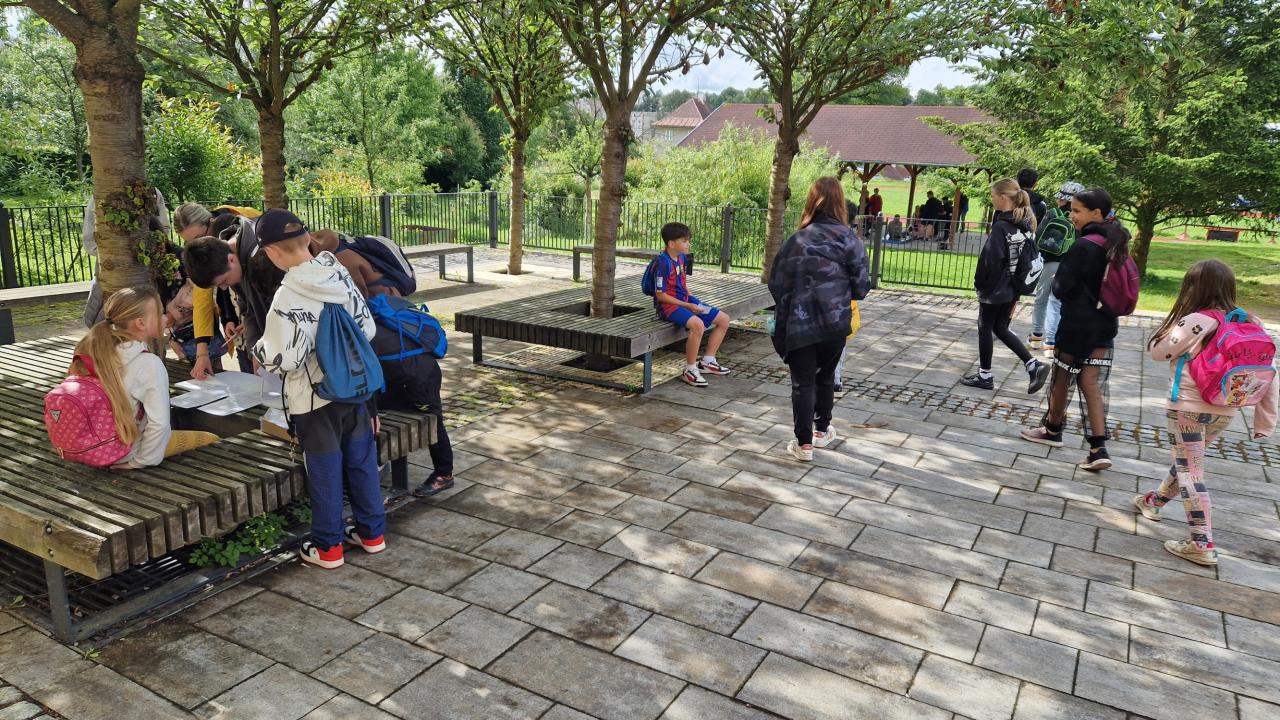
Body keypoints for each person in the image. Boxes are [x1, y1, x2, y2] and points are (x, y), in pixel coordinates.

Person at [252, 209, 386, 570]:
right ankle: (372, 533)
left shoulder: (287, 296)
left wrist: (259, 349)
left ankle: (328, 547)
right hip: (355, 388)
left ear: (271, 252)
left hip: (314, 398)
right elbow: (367, 329)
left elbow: (285, 359)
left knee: (325, 470)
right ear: (306, 240)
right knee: (361, 461)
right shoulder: (338, 273)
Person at [1133, 260, 1277, 566]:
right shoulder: (1251, 322)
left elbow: (1159, 352)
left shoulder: (1196, 321)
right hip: (1225, 410)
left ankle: (1202, 543)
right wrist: (1265, 420)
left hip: (1187, 409)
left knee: (1191, 471)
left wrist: (1172, 327)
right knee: (1189, 462)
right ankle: (1153, 502)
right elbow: (1268, 373)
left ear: (1193, 288)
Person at [1019, 188, 1131, 471]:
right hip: (1105, 324)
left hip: (1076, 324)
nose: (1072, 215)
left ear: (1097, 213)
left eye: (1077, 211)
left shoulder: (1084, 246)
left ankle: (1052, 430)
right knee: (1091, 383)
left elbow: (1060, 288)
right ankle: (1098, 448)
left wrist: (1061, 278)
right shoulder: (1117, 241)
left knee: (1062, 377)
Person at [769, 177, 870, 462]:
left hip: (799, 324)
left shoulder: (796, 240)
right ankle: (822, 430)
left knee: (802, 383)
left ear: (811, 202)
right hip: (835, 323)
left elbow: (775, 284)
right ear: (840, 203)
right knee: (825, 377)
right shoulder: (851, 240)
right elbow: (862, 288)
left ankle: (804, 445)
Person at [71, 287, 218, 468]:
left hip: (96, 448)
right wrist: (138, 462)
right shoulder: (149, 364)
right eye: (160, 313)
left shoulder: (97, 350)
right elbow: (159, 424)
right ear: (140, 323)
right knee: (211, 438)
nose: (165, 318)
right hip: (128, 451)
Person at [962, 179, 1050, 393]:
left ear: (1003, 197)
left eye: (993, 196)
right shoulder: (1025, 223)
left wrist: (980, 284)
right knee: (1000, 327)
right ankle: (1033, 365)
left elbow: (990, 260)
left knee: (985, 326)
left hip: (996, 287)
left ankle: (985, 375)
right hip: (1013, 285)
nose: (991, 200)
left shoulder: (1002, 226)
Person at [175, 203, 261, 379]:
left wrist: (255, 321)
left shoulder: (248, 236)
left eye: (200, 237)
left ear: (211, 222)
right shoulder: (206, 254)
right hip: (245, 325)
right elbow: (202, 301)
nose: (199, 245)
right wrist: (202, 353)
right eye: (190, 242)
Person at [652, 222, 733, 387]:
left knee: (724, 320)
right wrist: (687, 305)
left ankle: (707, 361)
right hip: (668, 307)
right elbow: (660, 295)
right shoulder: (662, 263)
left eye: (688, 240)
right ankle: (690, 369)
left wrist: (691, 300)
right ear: (671, 244)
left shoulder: (682, 257)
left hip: (686, 301)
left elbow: (682, 281)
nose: (688, 244)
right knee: (698, 325)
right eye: (684, 241)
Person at [1028, 181, 1085, 355]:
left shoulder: (1052, 213)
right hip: (1071, 265)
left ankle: (1036, 336)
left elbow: (1038, 237)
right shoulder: (1081, 218)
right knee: (1057, 302)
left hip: (1049, 262)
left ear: (1062, 199)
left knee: (1042, 299)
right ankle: (1051, 343)